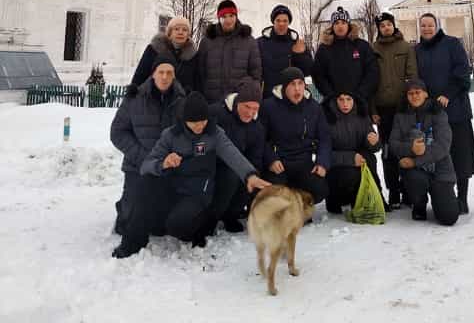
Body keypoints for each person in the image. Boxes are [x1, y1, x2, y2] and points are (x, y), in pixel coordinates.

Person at [112, 92, 269, 258]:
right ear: (184, 120)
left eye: (203, 121)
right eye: (194, 122)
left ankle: (200, 227)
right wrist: (163, 163)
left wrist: (250, 175)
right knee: (146, 183)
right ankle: (132, 243)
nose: (199, 126)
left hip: (198, 191)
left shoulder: (214, 133)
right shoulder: (170, 135)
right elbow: (146, 166)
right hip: (173, 187)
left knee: (177, 226)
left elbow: (233, 154)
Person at [110, 57, 186, 236]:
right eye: (161, 72)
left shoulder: (183, 100)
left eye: (169, 73)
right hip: (138, 166)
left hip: (168, 168)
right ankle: (126, 204)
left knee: (162, 226)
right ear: (153, 74)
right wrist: (143, 157)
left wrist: (173, 157)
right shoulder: (134, 98)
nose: (165, 77)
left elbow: (190, 134)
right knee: (128, 224)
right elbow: (118, 132)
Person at [415, 13, 474, 214]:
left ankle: (462, 198)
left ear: (437, 26)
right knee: (438, 155)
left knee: (460, 154)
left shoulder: (452, 44)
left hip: (455, 109)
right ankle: (444, 195)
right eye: (423, 25)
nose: (427, 29)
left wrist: (447, 94)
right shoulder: (417, 50)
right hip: (431, 112)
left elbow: (462, 72)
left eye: (430, 25)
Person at [389, 78, 460, 225]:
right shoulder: (400, 115)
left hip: (440, 169)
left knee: (449, 218)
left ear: (426, 94)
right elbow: (393, 144)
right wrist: (411, 148)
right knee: (414, 179)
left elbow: (443, 146)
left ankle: (442, 198)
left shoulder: (438, 112)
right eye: (410, 93)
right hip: (416, 172)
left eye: (418, 92)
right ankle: (419, 204)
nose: (414, 96)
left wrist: (416, 159)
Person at [259, 66, 331, 204]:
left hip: (303, 162)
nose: (297, 89)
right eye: (292, 84)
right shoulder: (268, 107)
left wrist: (322, 162)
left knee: (320, 189)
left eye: (300, 83)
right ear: (284, 87)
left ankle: (297, 204)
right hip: (279, 164)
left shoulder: (314, 107)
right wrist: (271, 159)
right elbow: (260, 139)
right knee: (273, 194)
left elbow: (325, 137)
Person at [371, 12, 418, 209]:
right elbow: (370, 82)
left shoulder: (405, 47)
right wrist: (373, 109)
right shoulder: (373, 49)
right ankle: (394, 192)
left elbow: (412, 76)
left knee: (406, 148)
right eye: (382, 26)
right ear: (379, 29)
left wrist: (410, 103)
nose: (386, 28)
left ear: (394, 26)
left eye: (389, 24)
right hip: (383, 110)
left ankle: (408, 189)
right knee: (388, 152)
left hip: (403, 108)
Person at [208, 78, 265, 232]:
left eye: (255, 108)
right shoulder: (216, 113)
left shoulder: (257, 127)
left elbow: (255, 158)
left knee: (252, 178)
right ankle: (210, 219)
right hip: (212, 167)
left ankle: (231, 215)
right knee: (230, 176)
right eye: (247, 107)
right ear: (237, 101)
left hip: (240, 170)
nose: (250, 113)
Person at [323, 93, 384, 214]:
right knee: (350, 173)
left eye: (348, 99)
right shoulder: (326, 118)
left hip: (358, 159)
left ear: (354, 100)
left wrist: (374, 142)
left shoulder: (361, 114)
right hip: (337, 168)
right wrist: (350, 158)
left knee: (370, 159)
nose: (345, 104)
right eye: (341, 99)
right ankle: (339, 200)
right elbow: (323, 154)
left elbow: (374, 147)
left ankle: (376, 196)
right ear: (335, 100)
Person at [196, 0, 262, 102]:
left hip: (238, 103)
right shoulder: (207, 41)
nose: (228, 20)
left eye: (231, 16)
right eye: (224, 17)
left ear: (236, 17)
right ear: (219, 18)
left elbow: (255, 73)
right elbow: (200, 72)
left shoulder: (249, 41)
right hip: (211, 102)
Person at [312, 6, 378, 103]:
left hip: (359, 102)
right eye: (337, 23)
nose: (340, 26)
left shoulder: (362, 46)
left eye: (343, 23)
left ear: (349, 25)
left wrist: (361, 94)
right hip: (334, 103)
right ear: (332, 26)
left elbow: (372, 72)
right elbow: (319, 76)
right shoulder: (324, 49)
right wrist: (331, 96)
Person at [257, 4, 313, 98]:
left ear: (289, 22)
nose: (281, 24)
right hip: (268, 96)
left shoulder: (297, 43)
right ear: (273, 22)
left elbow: (308, 71)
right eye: (278, 20)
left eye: (285, 21)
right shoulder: (260, 43)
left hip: (291, 97)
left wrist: (301, 55)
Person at [131, 16, 197, 91]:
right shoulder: (154, 49)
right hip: (154, 99)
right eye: (176, 29)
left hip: (181, 100)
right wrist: (133, 93)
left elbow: (195, 82)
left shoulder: (192, 56)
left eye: (185, 30)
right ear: (169, 33)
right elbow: (140, 74)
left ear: (188, 35)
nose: (180, 32)